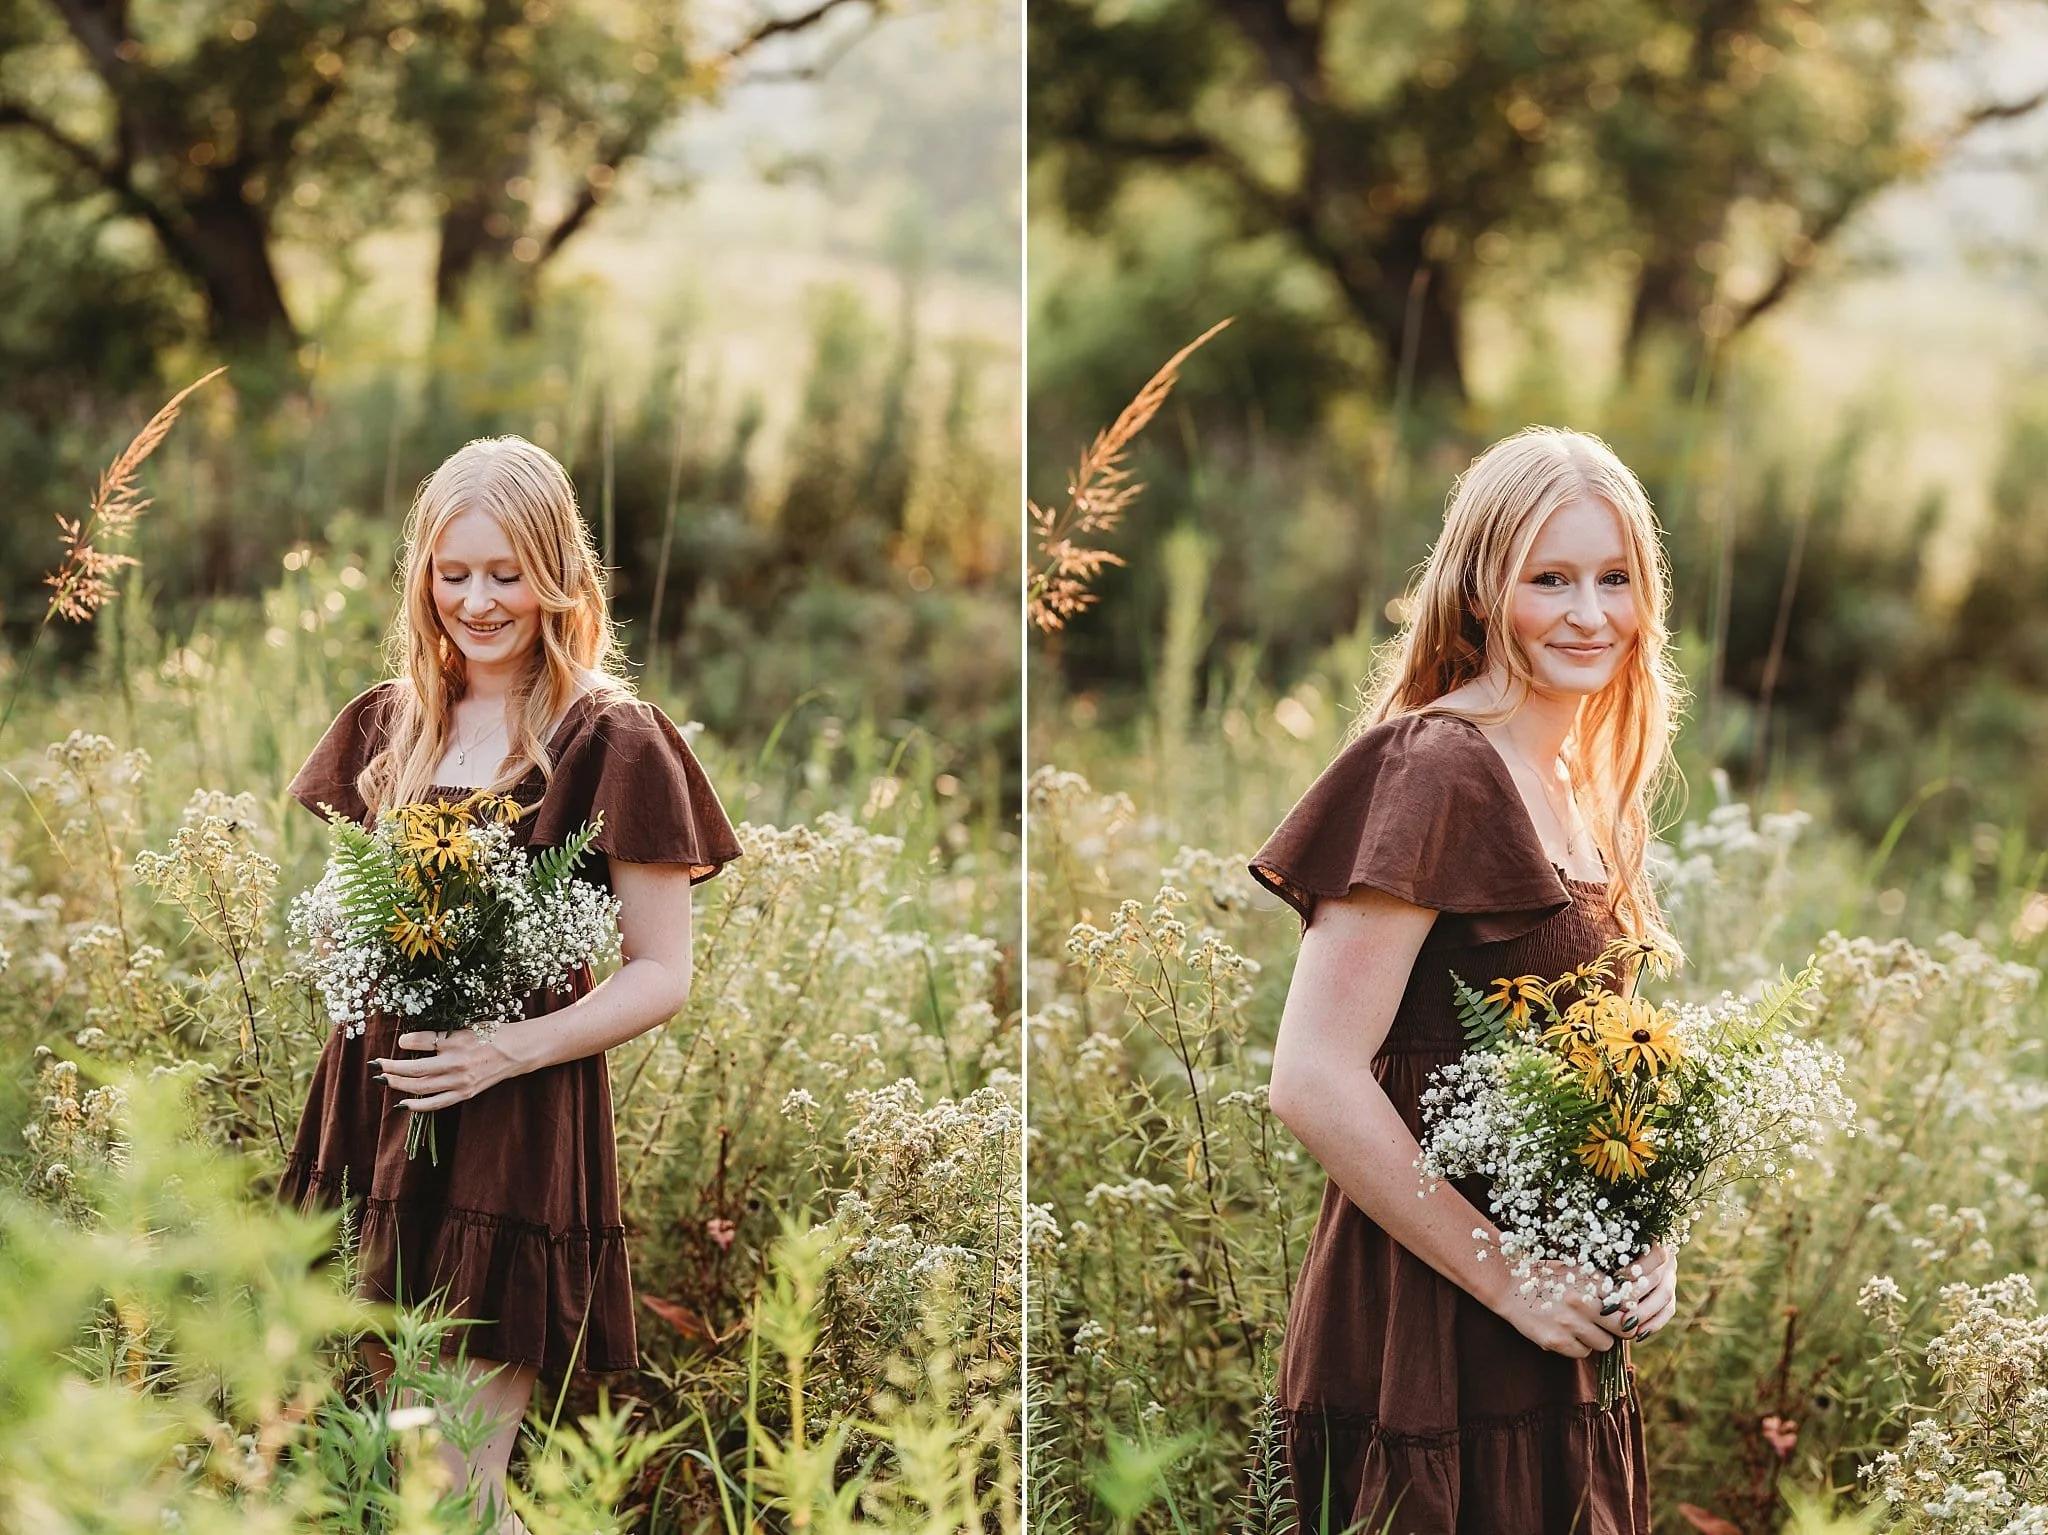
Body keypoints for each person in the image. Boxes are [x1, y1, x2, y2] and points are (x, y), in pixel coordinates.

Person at [280, 435, 742, 1532]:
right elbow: (352, 911)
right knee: (398, 1470)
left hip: (513, 1123)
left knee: (457, 1489)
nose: (477, 602)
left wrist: (504, 1047)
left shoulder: (612, 737)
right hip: (381, 1111)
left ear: (558, 574)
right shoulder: (388, 723)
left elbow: (662, 972)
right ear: (421, 577)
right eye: (452, 573)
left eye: (506, 572)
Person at [1251, 427, 1685, 1534]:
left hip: (1562, 1334)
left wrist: (1652, 1236)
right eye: (1550, 578)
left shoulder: (1578, 780)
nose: (1588, 612)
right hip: (1429, 1322)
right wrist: (1508, 1277)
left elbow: (1601, 1070)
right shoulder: (1434, 765)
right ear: (1482, 590)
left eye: (1612, 576)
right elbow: (1311, 1075)